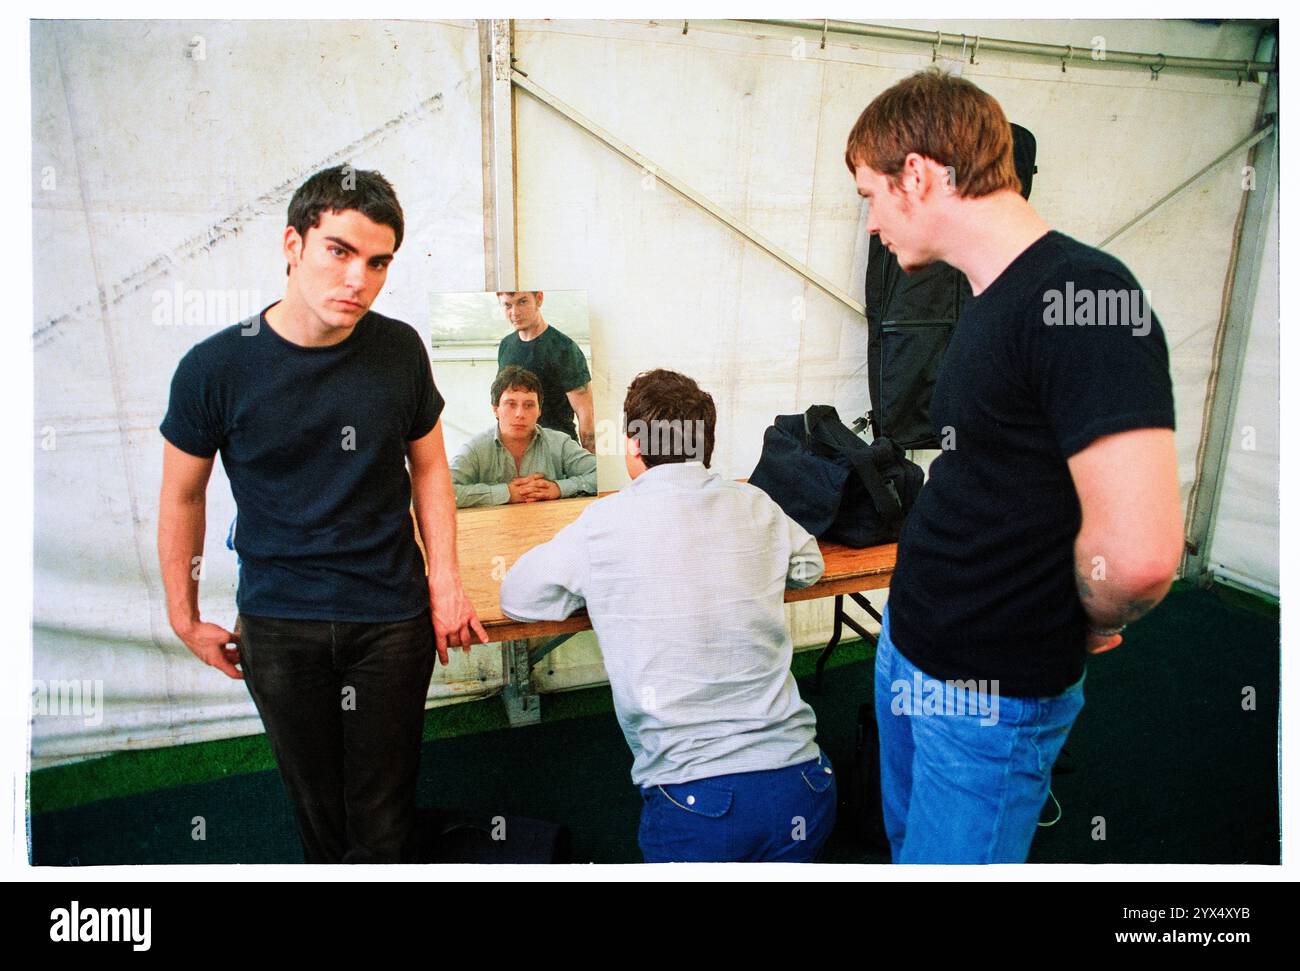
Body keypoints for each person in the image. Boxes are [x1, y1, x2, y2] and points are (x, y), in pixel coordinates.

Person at [845, 69, 1182, 863]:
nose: (870, 223)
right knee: (907, 850)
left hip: (987, 689)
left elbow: (1138, 559)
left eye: (871, 194)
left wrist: (1092, 614)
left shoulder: (1087, 295)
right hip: (914, 643)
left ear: (918, 175)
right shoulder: (987, 294)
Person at [157, 164, 488, 863]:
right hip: (280, 621)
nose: (358, 279)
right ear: (293, 244)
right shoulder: (215, 368)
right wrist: (182, 615)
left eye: (377, 262)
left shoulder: (398, 348)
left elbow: (428, 464)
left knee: (384, 807)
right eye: (339, 250)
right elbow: (182, 494)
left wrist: (446, 580)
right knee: (317, 807)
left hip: (389, 619)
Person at [499, 369, 836, 863]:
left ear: (633, 447)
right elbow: (809, 566)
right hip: (806, 782)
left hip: (698, 806)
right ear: (706, 447)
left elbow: (519, 597)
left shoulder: (605, 523)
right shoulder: (756, 505)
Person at [450, 365, 597, 507]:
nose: (520, 414)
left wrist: (559, 488)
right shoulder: (475, 449)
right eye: (511, 404)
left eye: (529, 405)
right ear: (496, 410)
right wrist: (505, 493)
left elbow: (600, 475)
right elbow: (445, 490)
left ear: (539, 411)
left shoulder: (560, 443)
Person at [496, 290, 595, 451]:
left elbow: (587, 417)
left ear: (539, 299)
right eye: (507, 305)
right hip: (516, 451)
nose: (514, 312)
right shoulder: (506, 345)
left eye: (522, 302)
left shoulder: (564, 348)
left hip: (558, 451)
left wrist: (590, 467)